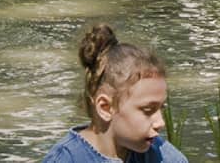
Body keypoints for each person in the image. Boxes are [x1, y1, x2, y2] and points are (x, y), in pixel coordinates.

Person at [40, 24, 185, 163]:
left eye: (161, 108)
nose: (160, 123)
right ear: (105, 107)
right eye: (147, 110)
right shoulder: (66, 159)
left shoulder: (164, 157)